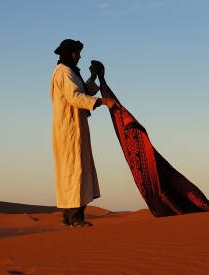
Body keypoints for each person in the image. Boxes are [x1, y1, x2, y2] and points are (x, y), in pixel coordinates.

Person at [50, 39, 118, 227]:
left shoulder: (71, 72)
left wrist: (94, 76)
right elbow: (75, 97)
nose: (79, 56)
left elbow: (82, 91)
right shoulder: (64, 72)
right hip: (69, 129)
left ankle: (71, 216)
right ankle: (75, 218)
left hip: (75, 127)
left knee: (77, 169)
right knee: (74, 171)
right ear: (70, 53)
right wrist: (103, 102)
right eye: (77, 53)